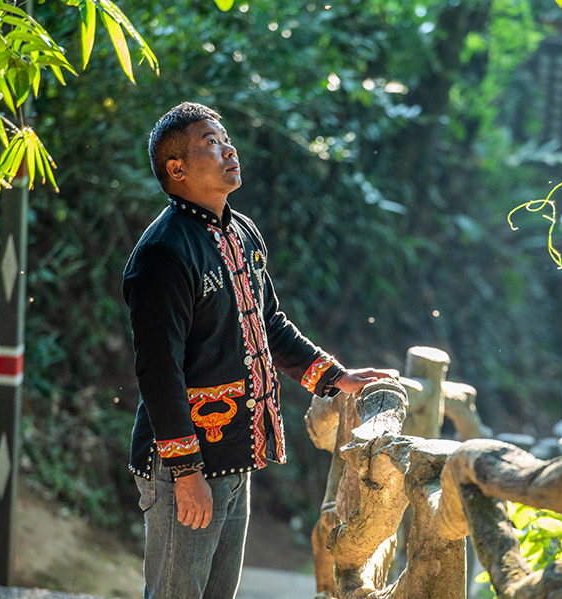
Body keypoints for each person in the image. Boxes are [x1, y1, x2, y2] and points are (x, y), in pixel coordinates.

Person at [123, 102, 389, 599]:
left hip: (233, 456)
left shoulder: (242, 233)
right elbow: (158, 372)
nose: (228, 148)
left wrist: (336, 377)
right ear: (176, 169)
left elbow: (268, 326)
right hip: (186, 463)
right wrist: (185, 473)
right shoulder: (163, 252)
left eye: (225, 138)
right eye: (209, 142)